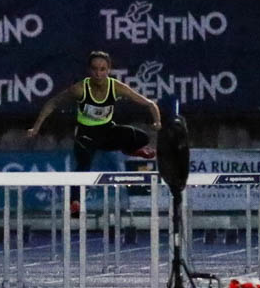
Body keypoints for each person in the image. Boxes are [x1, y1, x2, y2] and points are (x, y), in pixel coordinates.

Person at [26, 50, 161, 217]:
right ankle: (75, 202)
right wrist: (36, 127)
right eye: (95, 69)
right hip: (86, 135)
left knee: (143, 138)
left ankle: (130, 149)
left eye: (103, 69)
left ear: (109, 70)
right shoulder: (80, 89)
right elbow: (52, 103)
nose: (98, 73)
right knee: (83, 165)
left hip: (108, 132)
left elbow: (149, 104)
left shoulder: (116, 87)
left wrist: (157, 122)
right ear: (89, 70)